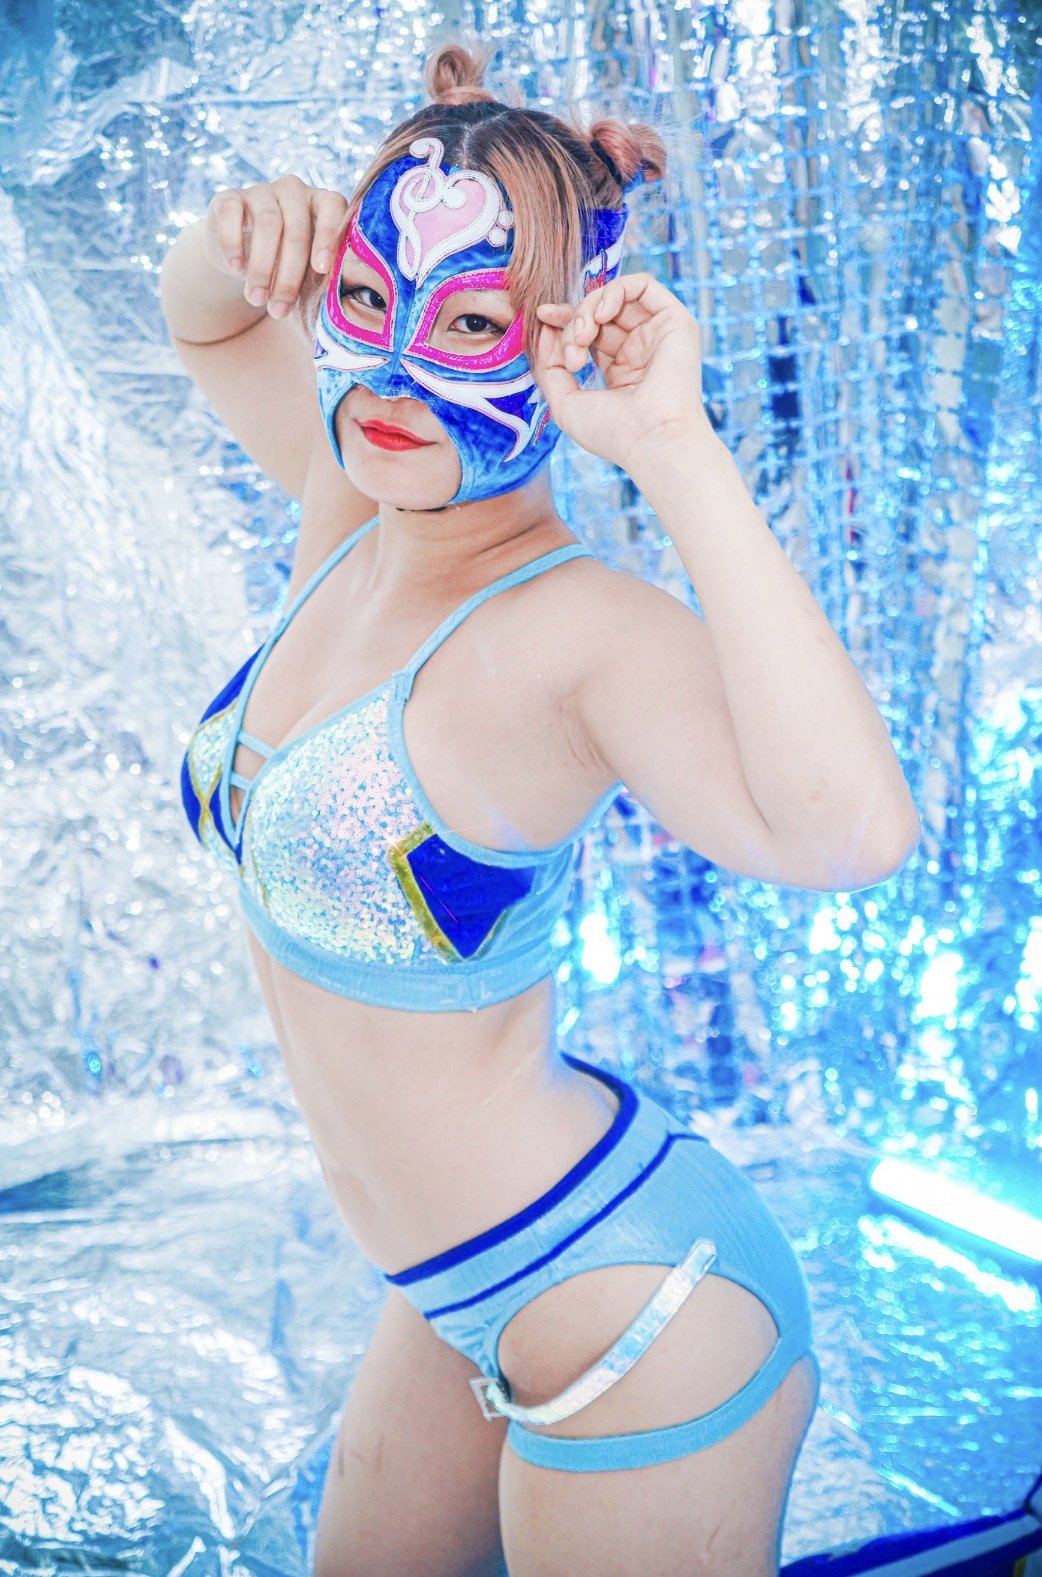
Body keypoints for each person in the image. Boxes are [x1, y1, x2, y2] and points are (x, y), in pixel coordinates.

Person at [160, 37, 920, 1577]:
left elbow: (848, 838)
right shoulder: (349, 506)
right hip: (449, 1293)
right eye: (368, 299)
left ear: (562, 342)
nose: (392, 370)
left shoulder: (576, 634)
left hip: (634, 1306)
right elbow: (208, 318)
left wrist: (670, 448)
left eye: (471, 324)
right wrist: (244, 231)